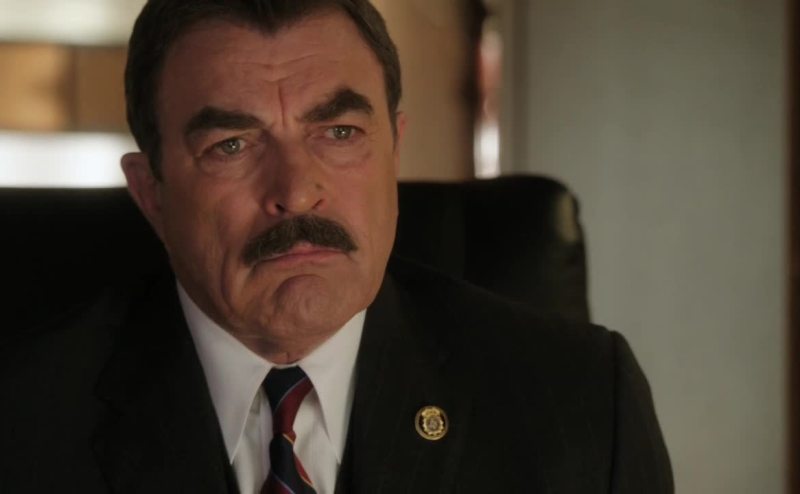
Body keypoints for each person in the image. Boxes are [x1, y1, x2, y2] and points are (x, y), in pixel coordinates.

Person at [0, 0, 673, 492]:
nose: (297, 192)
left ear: (393, 150)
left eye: (340, 133)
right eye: (232, 145)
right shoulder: (23, 427)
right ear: (151, 193)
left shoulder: (583, 405)